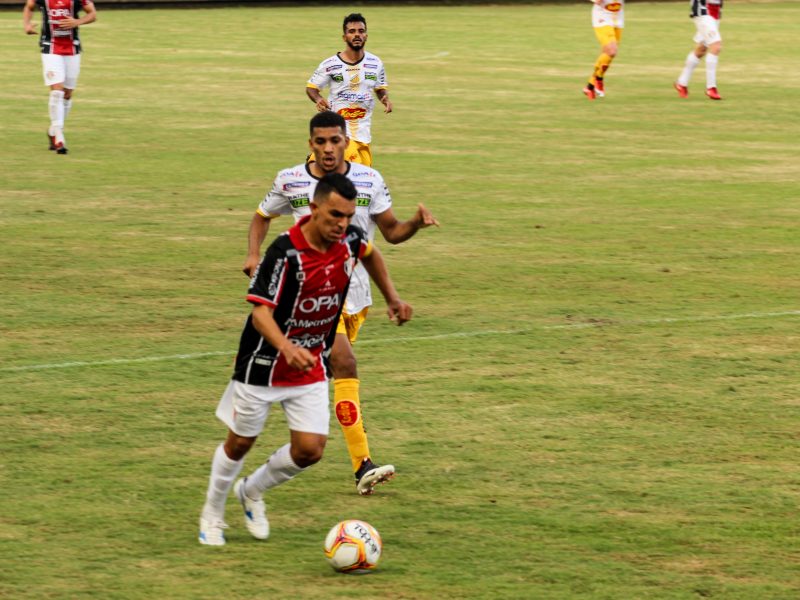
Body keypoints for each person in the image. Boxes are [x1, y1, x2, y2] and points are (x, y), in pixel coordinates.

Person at [200, 173, 413, 546]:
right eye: (335, 215)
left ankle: (251, 491)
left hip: (310, 362)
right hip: (264, 364)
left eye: (348, 216)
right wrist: (286, 348)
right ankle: (212, 515)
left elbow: (370, 253)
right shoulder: (285, 252)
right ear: (314, 209)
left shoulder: (349, 239)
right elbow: (260, 314)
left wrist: (392, 297)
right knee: (239, 444)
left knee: (310, 450)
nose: (342, 224)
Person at [243, 111, 438, 496]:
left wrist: (415, 224)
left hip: (355, 296)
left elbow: (390, 233)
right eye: (321, 142)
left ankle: (282, 426)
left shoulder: (369, 179)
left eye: (335, 140)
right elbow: (261, 216)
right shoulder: (291, 180)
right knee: (345, 361)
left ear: (347, 141)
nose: (329, 149)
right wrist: (253, 254)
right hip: (308, 296)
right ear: (311, 144)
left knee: (328, 376)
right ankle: (362, 464)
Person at [306, 13, 391, 166]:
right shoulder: (330, 64)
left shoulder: (376, 63)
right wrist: (318, 99)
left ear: (366, 36)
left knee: (364, 177)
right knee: (350, 176)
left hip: (363, 135)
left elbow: (380, 88)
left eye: (361, 31)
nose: (357, 34)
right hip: (340, 133)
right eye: (352, 31)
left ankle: (315, 162)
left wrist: (384, 98)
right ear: (344, 37)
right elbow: (311, 88)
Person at [23, 0, 97, 154]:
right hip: (50, 47)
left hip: (72, 48)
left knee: (67, 94)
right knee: (57, 91)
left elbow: (92, 14)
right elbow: (29, 6)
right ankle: (59, 136)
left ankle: (53, 131)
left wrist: (77, 22)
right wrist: (27, 25)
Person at [674, 0, 724, 100]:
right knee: (716, 46)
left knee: (701, 49)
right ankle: (711, 88)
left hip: (715, 11)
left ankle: (681, 83)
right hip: (703, 10)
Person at [582, 0, 624, 100]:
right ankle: (599, 79)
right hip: (602, 19)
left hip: (618, 19)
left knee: (608, 54)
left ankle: (590, 86)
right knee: (612, 51)